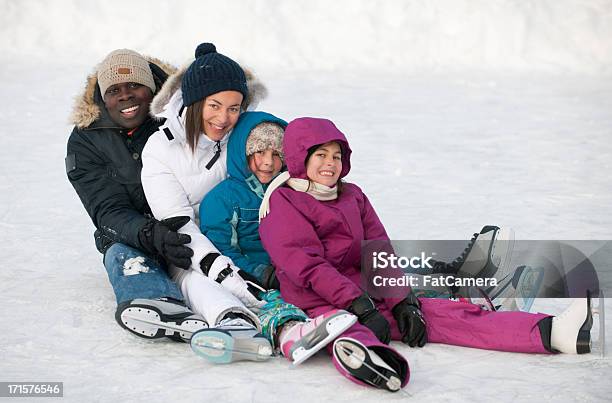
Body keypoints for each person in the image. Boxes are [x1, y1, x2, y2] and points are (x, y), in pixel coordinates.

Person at [258, 117, 596, 392]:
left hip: (365, 291)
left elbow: (380, 252)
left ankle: (552, 332)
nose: (330, 164)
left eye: (336, 155)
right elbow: (308, 266)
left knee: (443, 314)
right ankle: (374, 361)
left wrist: (403, 301)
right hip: (317, 301)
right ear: (300, 157)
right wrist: (357, 304)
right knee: (345, 327)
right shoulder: (283, 203)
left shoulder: (353, 195)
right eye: (320, 155)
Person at [141, 43, 355, 364]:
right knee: (197, 278)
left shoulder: (240, 134)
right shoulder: (160, 149)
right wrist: (227, 271)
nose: (223, 118)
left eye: (233, 107)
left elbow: (277, 149)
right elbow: (178, 224)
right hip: (190, 246)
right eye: (214, 105)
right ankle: (238, 323)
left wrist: (284, 178)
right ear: (194, 101)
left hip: (244, 238)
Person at [65, 49, 209, 342]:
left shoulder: (181, 113)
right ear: (103, 99)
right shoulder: (85, 141)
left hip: (194, 219)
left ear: (154, 88)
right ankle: (160, 304)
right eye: (114, 90)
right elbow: (106, 209)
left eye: (135, 86)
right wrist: (150, 234)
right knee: (121, 254)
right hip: (134, 233)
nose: (125, 96)